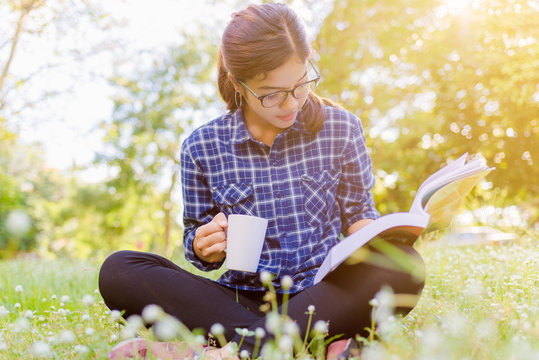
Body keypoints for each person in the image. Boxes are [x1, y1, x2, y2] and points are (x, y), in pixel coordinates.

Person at [99, 3, 425, 359]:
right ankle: (315, 343)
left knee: (405, 265)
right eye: (271, 93)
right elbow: (199, 244)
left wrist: (385, 237)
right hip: (241, 298)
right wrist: (202, 246)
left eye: (300, 85)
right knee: (119, 271)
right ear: (240, 84)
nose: (291, 103)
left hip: (324, 293)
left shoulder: (342, 128)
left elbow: (359, 212)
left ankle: (209, 351)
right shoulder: (201, 147)